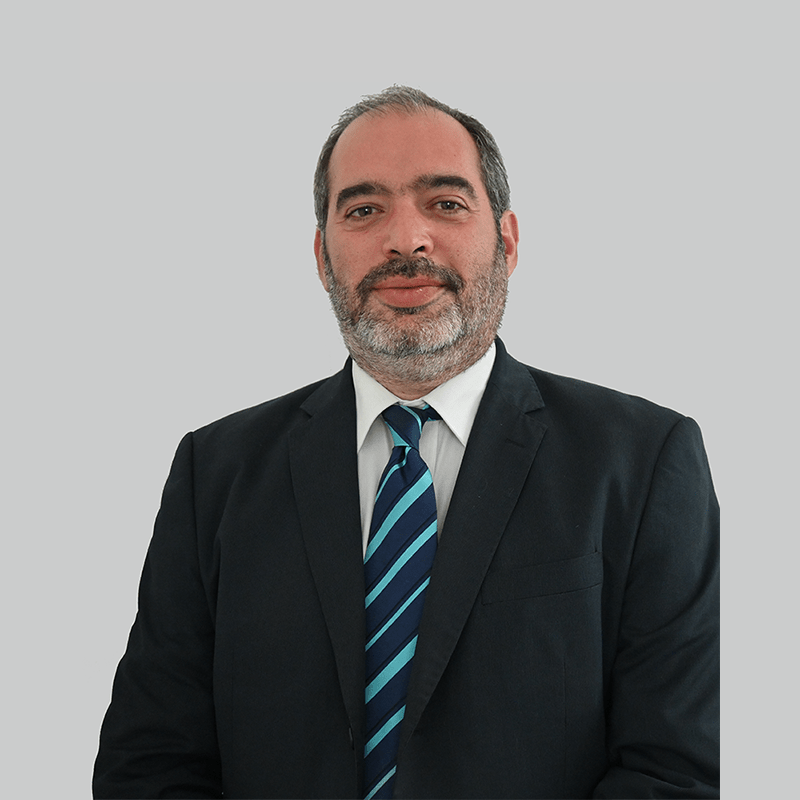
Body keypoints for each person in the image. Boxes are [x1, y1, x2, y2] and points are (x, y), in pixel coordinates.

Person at [93, 86, 720, 799]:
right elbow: (151, 766)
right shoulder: (215, 474)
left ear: (508, 242)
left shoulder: (644, 462)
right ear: (323, 257)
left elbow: (675, 769)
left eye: (445, 203)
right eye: (363, 210)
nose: (406, 240)